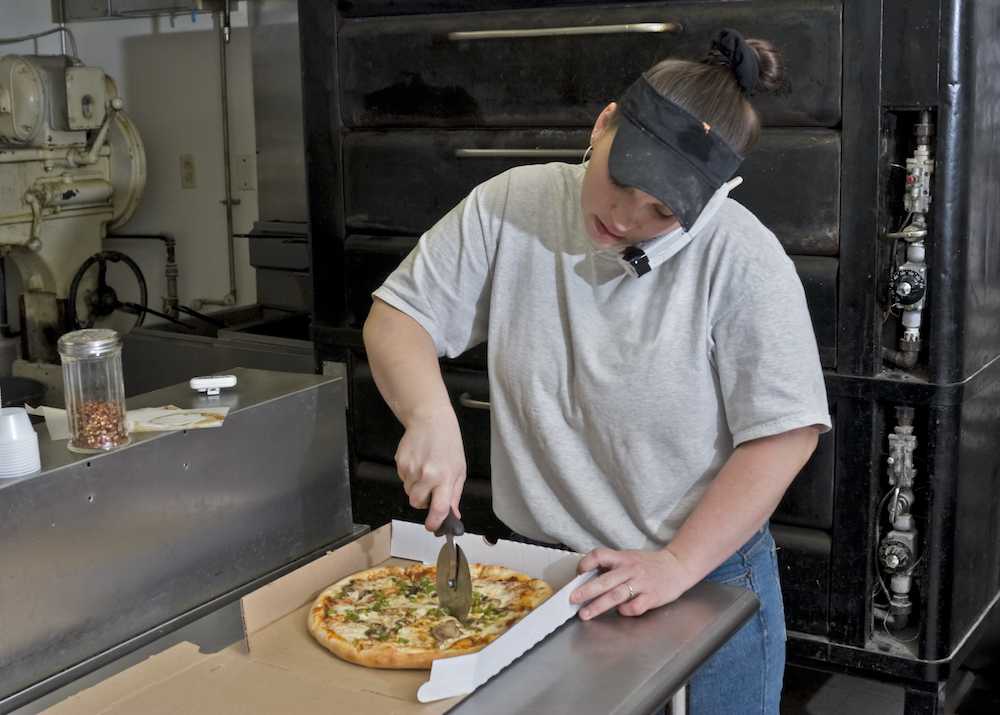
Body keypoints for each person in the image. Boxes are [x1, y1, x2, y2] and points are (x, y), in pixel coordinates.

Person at [362, 28, 831, 714]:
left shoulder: (743, 261)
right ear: (605, 121)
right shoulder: (510, 207)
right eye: (622, 180)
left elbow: (786, 433)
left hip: (702, 575)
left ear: (709, 199)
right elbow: (398, 317)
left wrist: (675, 565)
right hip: (541, 575)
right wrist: (429, 414)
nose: (623, 217)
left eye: (662, 212)